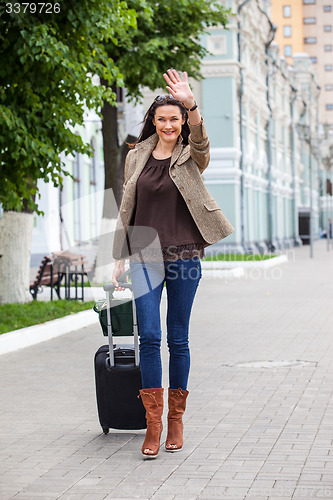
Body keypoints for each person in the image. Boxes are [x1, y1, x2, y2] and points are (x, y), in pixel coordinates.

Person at [112, 69, 234, 458]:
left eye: (175, 119)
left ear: (182, 123)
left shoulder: (191, 154)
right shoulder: (136, 156)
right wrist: (119, 255)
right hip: (145, 255)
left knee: (177, 337)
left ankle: (177, 422)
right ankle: (154, 424)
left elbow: (203, 142)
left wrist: (191, 104)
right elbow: (128, 207)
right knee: (149, 336)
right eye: (162, 118)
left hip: (184, 253)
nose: (168, 124)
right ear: (153, 122)